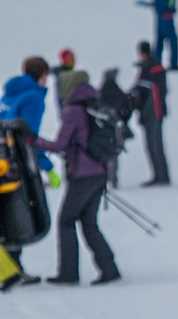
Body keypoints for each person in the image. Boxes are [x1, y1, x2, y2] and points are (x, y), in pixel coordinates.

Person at [34, 71, 121, 286]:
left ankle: (69, 273)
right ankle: (109, 268)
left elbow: (60, 145)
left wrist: (32, 140)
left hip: (82, 174)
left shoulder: (73, 110)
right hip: (100, 172)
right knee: (89, 222)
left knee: (66, 221)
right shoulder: (95, 105)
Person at [0, 56, 60, 287]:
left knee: (7, 216)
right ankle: (12, 271)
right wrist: (48, 166)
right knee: (19, 214)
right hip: (17, 165)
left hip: (3, 160)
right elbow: (28, 138)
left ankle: (12, 270)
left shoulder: (9, 93)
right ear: (42, 75)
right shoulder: (33, 97)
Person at [130, 40, 170, 187]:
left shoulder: (153, 69)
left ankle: (161, 176)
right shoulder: (151, 67)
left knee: (155, 145)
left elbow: (149, 91)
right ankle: (160, 175)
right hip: (151, 112)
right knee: (152, 145)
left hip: (154, 112)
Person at [153, 0, 178, 72]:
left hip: (162, 16)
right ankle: (173, 64)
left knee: (160, 41)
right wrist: (170, 9)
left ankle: (156, 64)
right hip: (166, 17)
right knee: (173, 41)